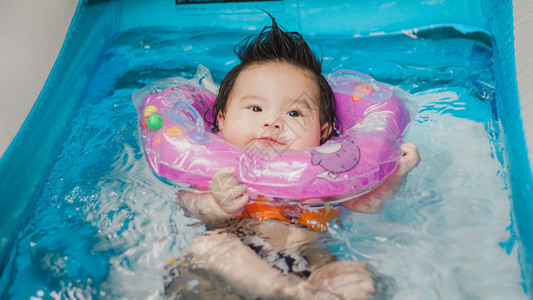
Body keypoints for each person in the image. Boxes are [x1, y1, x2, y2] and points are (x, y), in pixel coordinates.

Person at [165, 14, 420, 299]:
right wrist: (216, 204)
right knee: (208, 248)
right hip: (232, 264)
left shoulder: (328, 174)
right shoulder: (213, 168)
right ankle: (287, 291)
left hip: (311, 262)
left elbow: (366, 204)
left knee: (356, 276)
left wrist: (394, 173)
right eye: (255, 109)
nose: (273, 122)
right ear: (221, 119)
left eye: (294, 113)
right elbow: (190, 205)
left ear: (322, 132)